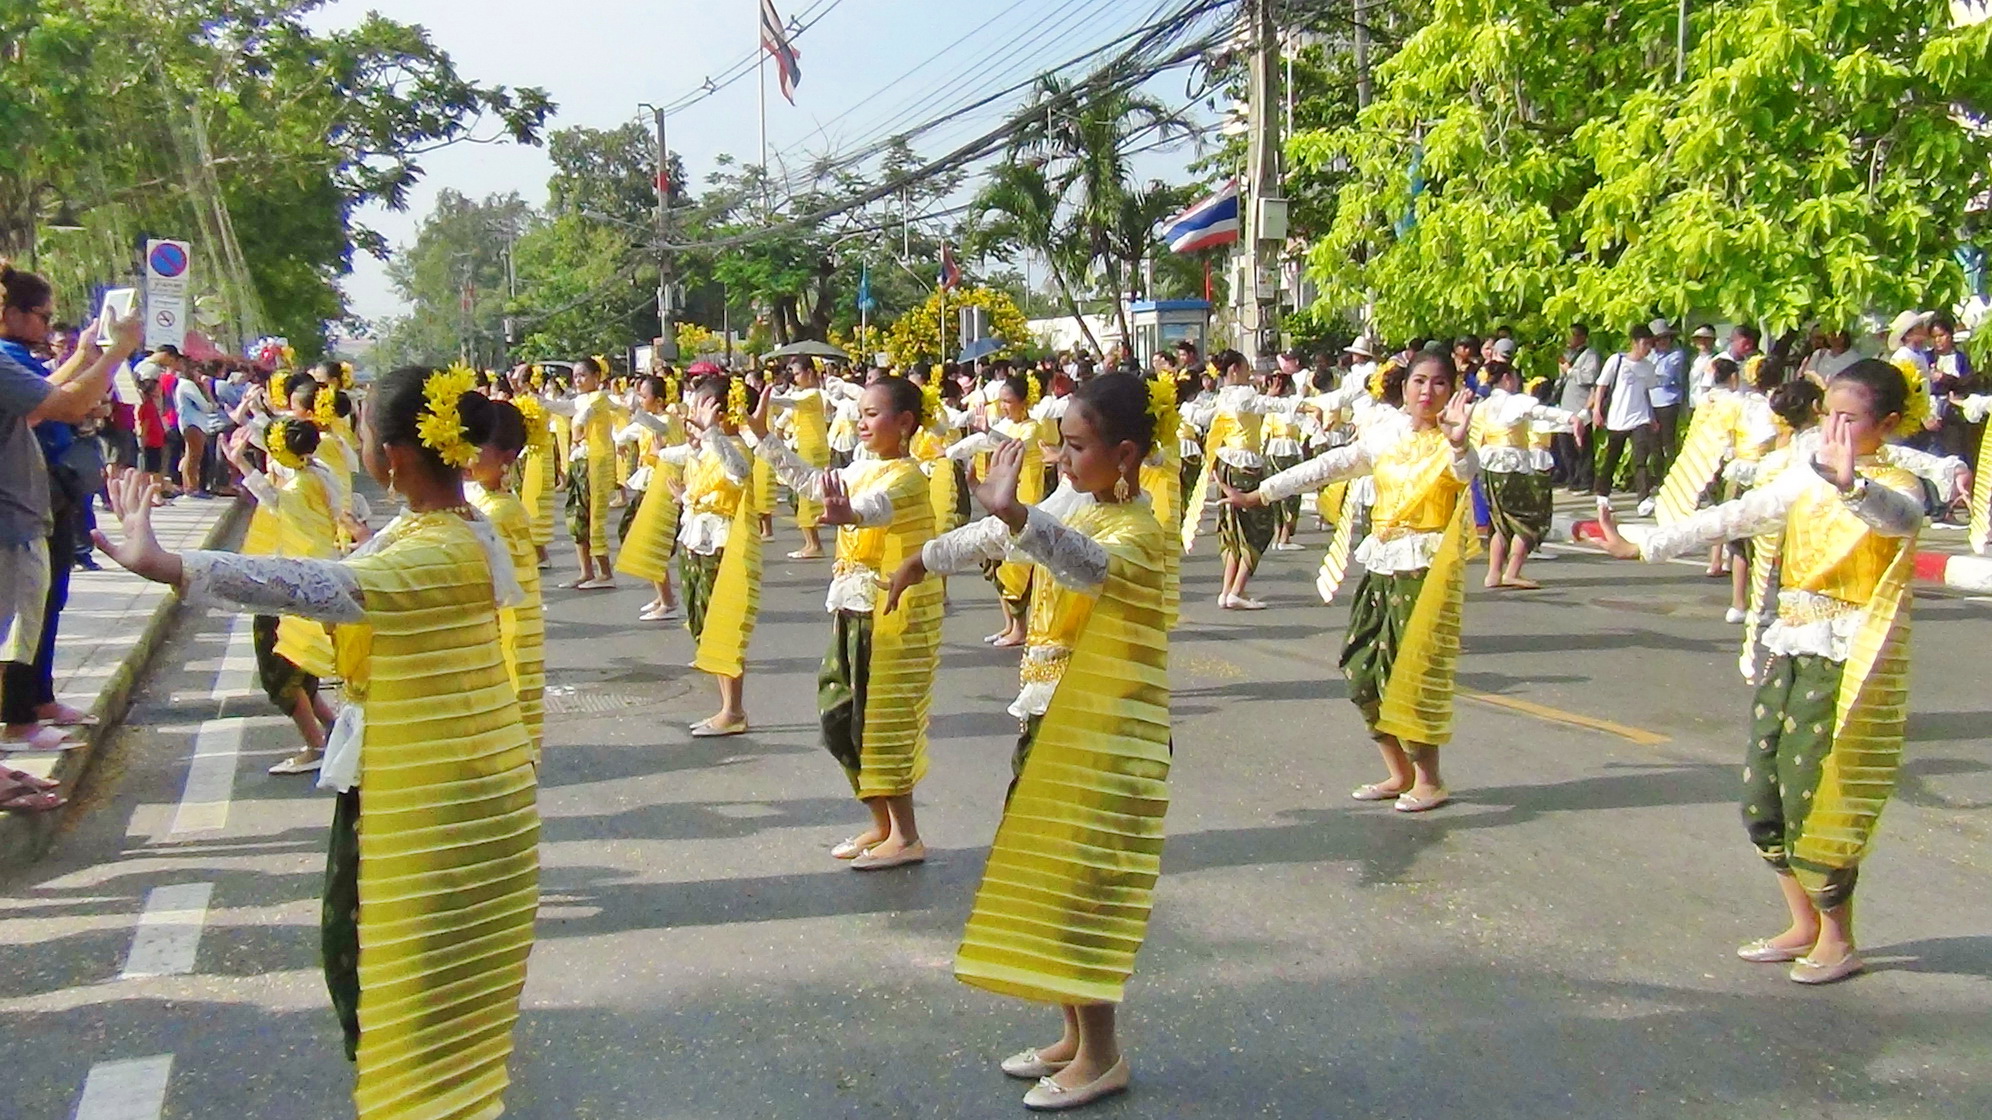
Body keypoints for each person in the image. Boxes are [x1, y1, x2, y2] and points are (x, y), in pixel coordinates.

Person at [95, 363, 538, 1112]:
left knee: (389, 979)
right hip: (425, 781)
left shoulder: (443, 548)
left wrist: (169, 564)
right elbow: (343, 569)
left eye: (363, 431)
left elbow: (319, 587)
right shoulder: (441, 528)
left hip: (435, 803)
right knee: (394, 975)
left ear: (393, 457)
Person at [886, 372, 1171, 1112]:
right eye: (1061, 446)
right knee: (1050, 875)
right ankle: (1075, 1036)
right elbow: (1006, 531)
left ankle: (1103, 1055)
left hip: (1103, 733)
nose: (1065, 462)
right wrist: (923, 558)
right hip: (1053, 717)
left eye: (1076, 448)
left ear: (1128, 453)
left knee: (1081, 888)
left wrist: (1017, 514)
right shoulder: (1078, 500)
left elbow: (1083, 564)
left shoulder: (1140, 529)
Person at [1593, 360, 1924, 985]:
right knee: (1763, 791)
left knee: (1814, 792)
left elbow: (1901, 521)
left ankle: (1839, 937)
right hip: (1792, 646)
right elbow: (1736, 516)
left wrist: (1853, 486)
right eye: (1830, 416)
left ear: (1887, 423)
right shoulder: (1806, 478)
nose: (1834, 430)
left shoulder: (1899, 483)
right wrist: (1644, 545)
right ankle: (1801, 920)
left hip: (1847, 658)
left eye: (1849, 420)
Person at [1224, 353, 1477, 813]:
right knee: (1361, 668)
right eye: (1419, 381)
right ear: (1404, 387)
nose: (1427, 391)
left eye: (1440, 383)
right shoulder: (1385, 436)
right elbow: (1328, 467)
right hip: (1383, 564)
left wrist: (1458, 443)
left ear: (1452, 390)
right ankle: (1398, 772)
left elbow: (1465, 475)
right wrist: (1261, 494)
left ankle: (1429, 780)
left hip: (1425, 573)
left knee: (1411, 673)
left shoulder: (1453, 442)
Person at [746, 376, 942, 871]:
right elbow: (815, 484)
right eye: (861, 412)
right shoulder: (861, 466)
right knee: (839, 720)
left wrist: (849, 511)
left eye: (873, 413)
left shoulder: (908, 477)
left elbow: (874, 510)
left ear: (904, 423)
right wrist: (763, 438)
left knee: (878, 723)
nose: (862, 420)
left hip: (885, 616)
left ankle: (907, 835)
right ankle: (881, 824)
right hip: (850, 610)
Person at [0, 264, 143, 755]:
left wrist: (86, 356)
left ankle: (28, 711)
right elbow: (65, 405)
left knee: (30, 618)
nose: (47, 325)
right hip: (11, 517)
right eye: (42, 316)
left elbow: (41, 402)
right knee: (11, 635)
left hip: (27, 508)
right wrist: (118, 352)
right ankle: (16, 720)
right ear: (11, 314)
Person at [220, 419, 342, 775]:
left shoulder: (299, 487)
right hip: (317, 576)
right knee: (299, 662)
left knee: (278, 668)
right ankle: (330, 727)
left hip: (291, 584)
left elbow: (276, 502)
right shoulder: (320, 474)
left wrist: (242, 463)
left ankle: (315, 745)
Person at [1180, 349, 1309, 610]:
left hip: (1226, 464)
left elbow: (1199, 416)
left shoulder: (1222, 397)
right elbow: (1269, 405)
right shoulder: (1242, 394)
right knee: (1258, 529)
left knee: (1232, 530)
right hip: (1244, 466)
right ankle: (1236, 590)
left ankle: (1228, 591)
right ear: (1234, 370)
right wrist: (1300, 402)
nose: (1250, 371)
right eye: (1246, 367)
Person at [467, 400, 547, 761]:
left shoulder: (499, 511)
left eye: (476, 446)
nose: (465, 454)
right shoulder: (478, 497)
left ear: (507, 457)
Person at [1472, 362, 1576, 589]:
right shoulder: (1515, 401)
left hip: (1488, 467)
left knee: (1500, 522)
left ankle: (1493, 574)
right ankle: (1511, 572)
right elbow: (1542, 412)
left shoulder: (1483, 406)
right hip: (1511, 465)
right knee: (1529, 520)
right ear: (1508, 378)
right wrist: (1572, 418)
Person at [543, 356, 625, 589]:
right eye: (575, 376)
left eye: (582, 375)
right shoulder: (581, 399)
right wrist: (542, 403)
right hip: (580, 463)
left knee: (594, 516)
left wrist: (578, 429)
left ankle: (605, 573)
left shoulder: (600, 397)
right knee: (576, 515)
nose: (577, 380)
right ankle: (586, 572)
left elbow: (584, 415)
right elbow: (568, 407)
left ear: (596, 377)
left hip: (596, 463)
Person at [613, 374, 686, 621]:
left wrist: (635, 409)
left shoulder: (667, 421)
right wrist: (620, 443)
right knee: (633, 531)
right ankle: (662, 595)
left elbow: (656, 427)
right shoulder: (653, 420)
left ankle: (667, 600)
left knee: (652, 540)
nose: (641, 399)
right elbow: (627, 432)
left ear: (659, 400)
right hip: (650, 485)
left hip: (665, 487)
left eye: (644, 395)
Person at [1590, 323, 1660, 515]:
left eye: (1650, 344)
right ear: (1634, 343)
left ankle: (1644, 499)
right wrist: (1597, 409)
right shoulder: (1617, 360)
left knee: (1641, 458)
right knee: (1612, 457)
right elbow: (1602, 385)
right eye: (1644, 344)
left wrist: (1652, 417)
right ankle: (1603, 495)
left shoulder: (1648, 367)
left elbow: (1648, 392)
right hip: (1618, 417)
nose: (1647, 348)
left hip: (1641, 418)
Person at [1554, 324, 1600, 491]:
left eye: (1573, 335)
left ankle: (1586, 481)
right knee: (1565, 446)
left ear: (1582, 337)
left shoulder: (1590, 355)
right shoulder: (1566, 354)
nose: (1569, 339)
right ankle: (1572, 479)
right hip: (1565, 405)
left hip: (1580, 405)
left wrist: (1570, 371)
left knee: (1582, 445)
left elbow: (1589, 377)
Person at [1647, 319, 1687, 483]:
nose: (1662, 342)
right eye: (1658, 339)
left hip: (1668, 402)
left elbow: (1665, 378)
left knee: (1667, 441)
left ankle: (1672, 477)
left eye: (1665, 338)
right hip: (1651, 402)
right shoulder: (1650, 355)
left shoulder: (1676, 355)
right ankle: (1657, 478)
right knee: (1653, 443)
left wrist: (1647, 377)